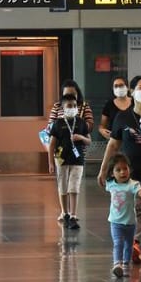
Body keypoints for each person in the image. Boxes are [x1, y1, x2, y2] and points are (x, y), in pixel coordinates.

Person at [97, 75, 141, 265]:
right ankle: (135, 243)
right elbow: (113, 145)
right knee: (134, 209)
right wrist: (103, 169)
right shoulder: (123, 117)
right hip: (130, 174)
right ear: (132, 91)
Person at [104, 153, 141, 278]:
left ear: (129, 169)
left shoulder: (133, 185)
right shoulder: (110, 184)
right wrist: (102, 171)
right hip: (115, 222)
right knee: (118, 243)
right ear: (112, 173)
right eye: (118, 170)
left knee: (128, 245)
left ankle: (126, 265)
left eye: (125, 169)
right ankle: (117, 264)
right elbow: (102, 181)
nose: (122, 172)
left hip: (130, 223)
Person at [48, 93, 91, 230]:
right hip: (61, 160)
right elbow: (51, 145)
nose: (72, 108)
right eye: (69, 106)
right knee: (63, 186)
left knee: (74, 187)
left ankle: (73, 215)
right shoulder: (57, 124)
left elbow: (89, 140)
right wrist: (50, 163)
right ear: (63, 107)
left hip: (77, 160)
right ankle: (65, 212)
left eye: (74, 106)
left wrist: (81, 138)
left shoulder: (81, 122)